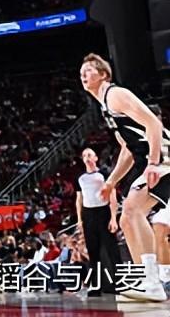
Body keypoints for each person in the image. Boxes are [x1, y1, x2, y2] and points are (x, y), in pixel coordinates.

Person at [80, 52, 170, 302]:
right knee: (127, 219)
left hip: (163, 157)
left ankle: (153, 282)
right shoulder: (105, 107)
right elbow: (127, 150)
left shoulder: (116, 94)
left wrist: (153, 163)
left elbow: (154, 124)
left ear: (103, 74)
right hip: (149, 160)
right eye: (81, 72)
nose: (83, 75)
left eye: (89, 70)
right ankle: (149, 280)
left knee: (132, 210)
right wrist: (111, 182)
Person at [75, 147, 119, 294]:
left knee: (112, 249)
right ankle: (96, 285)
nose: (87, 157)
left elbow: (113, 195)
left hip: (103, 211)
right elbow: (79, 199)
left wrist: (113, 218)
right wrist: (80, 219)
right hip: (88, 214)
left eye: (89, 155)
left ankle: (120, 283)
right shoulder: (80, 178)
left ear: (95, 158)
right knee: (93, 252)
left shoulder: (104, 174)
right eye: (84, 155)